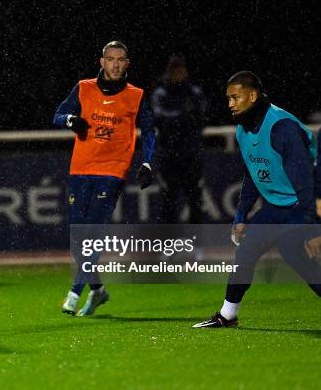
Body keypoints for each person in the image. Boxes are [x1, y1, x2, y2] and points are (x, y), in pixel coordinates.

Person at [193, 71, 321, 328]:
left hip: (302, 204)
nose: (229, 103)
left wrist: (312, 228)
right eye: (228, 98)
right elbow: (253, 177)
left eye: (235, 97)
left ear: (252, 96)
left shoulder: (281, 128)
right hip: (277, 206)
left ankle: (228, 315)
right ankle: (227, 315)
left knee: (295, 254)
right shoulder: (243, 129)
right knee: (246, 253)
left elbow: (306, 183)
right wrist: (241, 216)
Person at [54, 40, 155, 317]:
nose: (115, 64)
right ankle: (98, 291)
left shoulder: (136, 95)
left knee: (93, 234)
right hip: (81, 168)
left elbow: (148, 130)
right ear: (102, 61)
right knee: (78, 239)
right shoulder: (84, 87)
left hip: (112, 171)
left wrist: (146, 162)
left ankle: (74, 292)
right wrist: (70, 120)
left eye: (120, 59)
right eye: (110, 59)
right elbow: (57, 114)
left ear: (127, 63)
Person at [151, 54, 207, 223]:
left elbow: (200, 120)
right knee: (169, 201)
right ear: (168, 70)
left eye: (180, 67)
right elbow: (159, 119)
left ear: (185, 70)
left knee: (195, 200)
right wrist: (183, 117)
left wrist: (177, 120)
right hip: (169, 156)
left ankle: (196, 246)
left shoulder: (194, 93)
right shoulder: (160, 93)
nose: (177, 71)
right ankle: (168, 246)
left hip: (191, 155)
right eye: (174, 67)